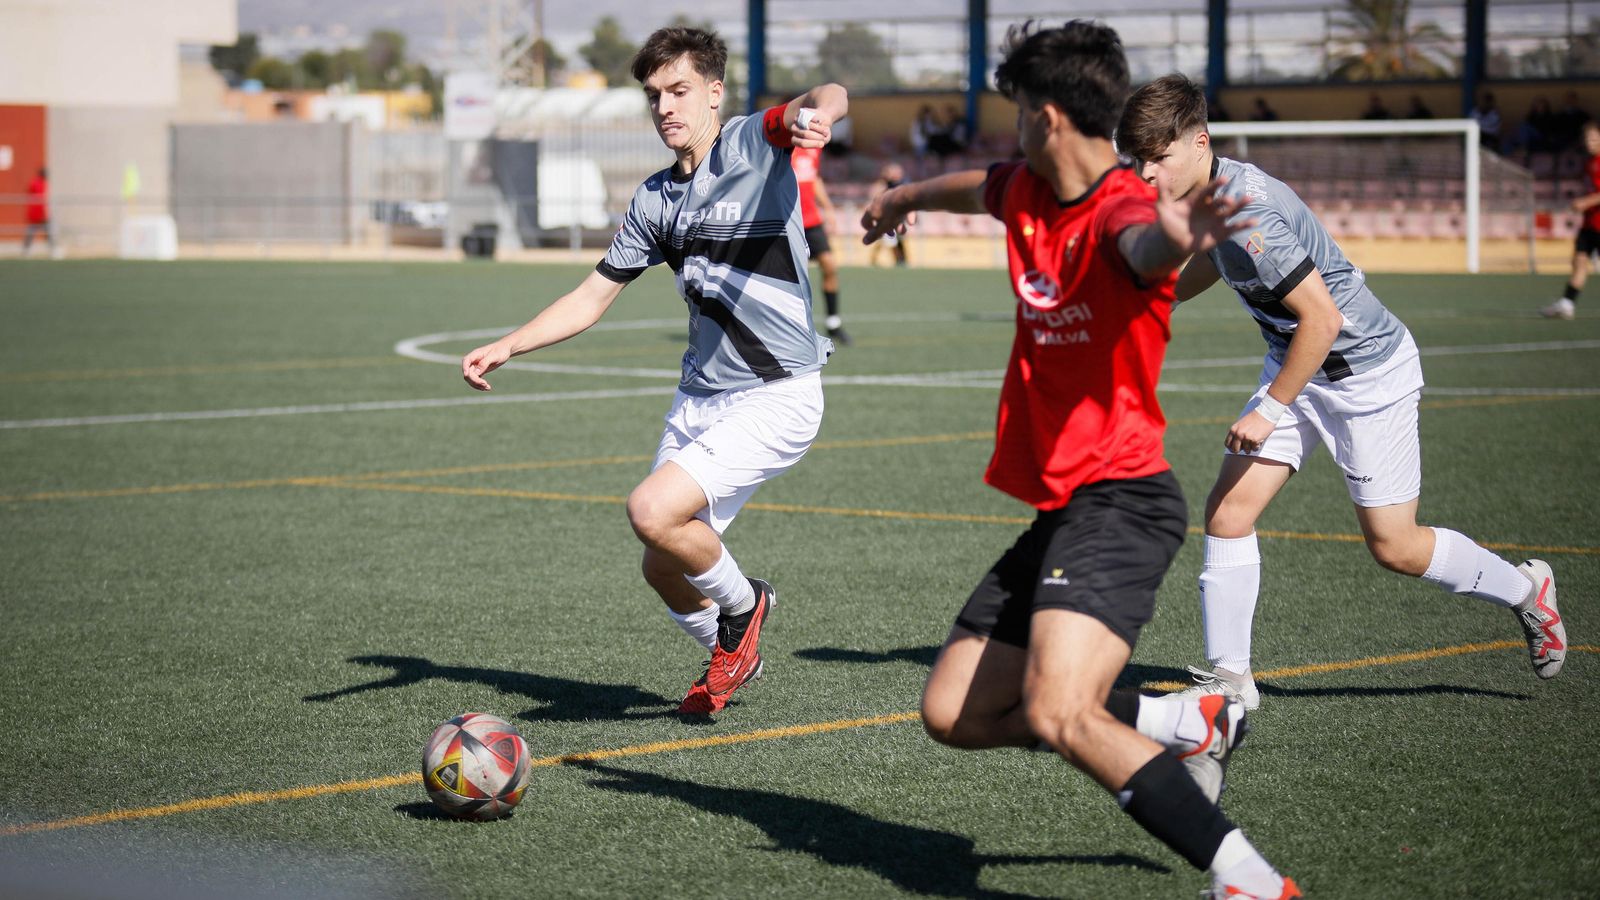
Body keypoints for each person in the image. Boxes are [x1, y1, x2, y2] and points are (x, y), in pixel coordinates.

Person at [861, 22, 1297, 900]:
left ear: (1048, 116)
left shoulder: (1123, 212)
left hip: (1124, 500)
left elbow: (1143, 250)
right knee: (955, 711)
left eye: (1019, 111)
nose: (1012, 126)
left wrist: (1182, 235)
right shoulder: (1023, 185)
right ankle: (1184, 720)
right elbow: (971, 186)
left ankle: (1245, 878)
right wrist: (902, 200)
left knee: (1060, 711)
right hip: (1065, 507)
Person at [1117, 74, 1566, 712]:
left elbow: (1322, 320)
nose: (1145, 173)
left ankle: (1525, 591)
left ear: (1199, 142)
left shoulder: (1249, 212)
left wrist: (1271, 409)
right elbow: (1211, 261)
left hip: (1365, 375)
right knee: (1229, 513)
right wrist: (1154, 300)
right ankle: (1231, 680)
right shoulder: (1207, 194)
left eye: (1156, 157)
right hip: (1299, 362)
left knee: (1395, 547)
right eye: (1137, 160)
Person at [461, 27, 845, 716]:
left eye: (679, 90)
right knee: (662, 564)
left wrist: (823, 114)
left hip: (777, 393)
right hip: (701, 396)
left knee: (649, 510)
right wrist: (508, 345)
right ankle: (735, 651)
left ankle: (746, 608)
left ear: (714, 92)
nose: (666, 107)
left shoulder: (753, 145)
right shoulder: (655, 201)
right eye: (654, 96)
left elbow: (824, 95)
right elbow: (592, 296)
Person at [791, 143, 851, 345]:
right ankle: (793, 328)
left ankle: (833, 323)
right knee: (793, 276)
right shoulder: (781, 147)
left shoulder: (813, 149)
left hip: (812, 221)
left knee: (830, 266)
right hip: (789, 220)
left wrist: (829, 208)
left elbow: (814, 179)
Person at [1540, 120, 1600, 320]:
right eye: (1586, 138)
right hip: (1590, 224)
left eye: (1593, 137)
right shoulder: (1589, 163)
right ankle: (1567, 304)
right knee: (1578, 261)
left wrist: (1585, 202)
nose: (1589, 142)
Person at [866, 162, 909, 267]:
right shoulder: (880, 186)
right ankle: (897, 260)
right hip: (884, 218)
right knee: (888, 239)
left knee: (895, 239)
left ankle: (900, 259)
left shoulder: (899, 186)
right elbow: (872, 202)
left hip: (896, 217)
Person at [21, 167, 54, 257]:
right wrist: (43, 214)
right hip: (38, 213)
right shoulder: (38, 183)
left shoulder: (36, 182)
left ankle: (26, 249)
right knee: (45, 231)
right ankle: (52, 249)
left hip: (36, 213)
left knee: (44, 231)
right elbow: (40, 199)